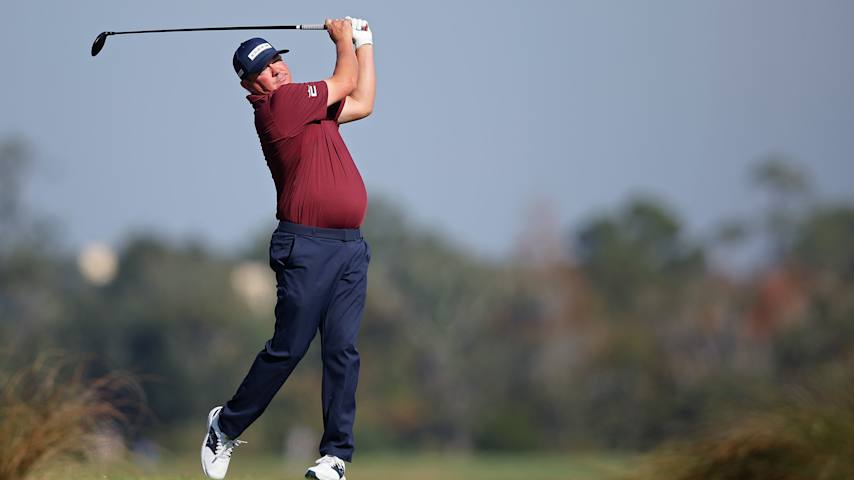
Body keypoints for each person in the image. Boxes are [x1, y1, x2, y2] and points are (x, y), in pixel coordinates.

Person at [200, 17, 375, 480]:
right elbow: (345, 80)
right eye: (263, 66)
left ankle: (335, 456)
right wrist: (343, 41)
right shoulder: (280, 105)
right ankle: (225, 425)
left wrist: (366, 42)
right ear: (249, 83)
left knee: (342, 350)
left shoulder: (312, 109)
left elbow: (363, 101)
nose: (275, 69)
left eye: (277, 59)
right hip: (307, 245)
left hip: (349, 248)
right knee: (289, 348)